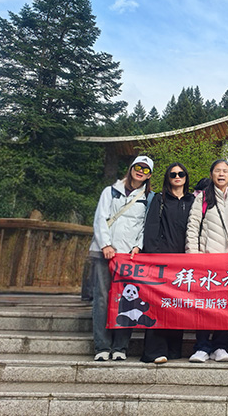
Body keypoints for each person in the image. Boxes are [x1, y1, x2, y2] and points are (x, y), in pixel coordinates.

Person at [90, 155, 153, 362]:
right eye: (138, 167)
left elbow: (144, 226)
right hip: (104, 252)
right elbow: (100, 218)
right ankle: (102, 346)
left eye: (146, 170)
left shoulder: (148, 197)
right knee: (102, 298)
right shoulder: (110, 191)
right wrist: (105, 244)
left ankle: (120, 346)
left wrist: (138, 246)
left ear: (149, 175)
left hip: (128, 256)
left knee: (127, 299)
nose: (141, 172)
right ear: (131, 168)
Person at [186, 159, 228, 363]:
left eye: (225, 171)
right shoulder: (203, 198)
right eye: (217, 171)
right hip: (207, 260)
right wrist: (193, 254)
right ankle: (202, 347)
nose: (221, 174)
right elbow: (193, 226)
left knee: (226, 305)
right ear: (211, 174)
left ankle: (221, 346)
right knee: (204, 305)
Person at [140, 162, 195, 364]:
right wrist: (153, 255)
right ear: (167, 178)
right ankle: (154, 351)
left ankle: (173, 349)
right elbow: (151, 227)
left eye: (181, 173)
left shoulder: (193, 200)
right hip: (162, 260)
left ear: (186, 177)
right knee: (158, 303)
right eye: (173, 174)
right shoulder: (159, 199)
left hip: (185, 261)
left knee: (177, 305)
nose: (177, 177)